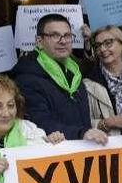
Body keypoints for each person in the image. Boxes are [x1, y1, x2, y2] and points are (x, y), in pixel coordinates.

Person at [12, 13, 108, 144]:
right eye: (55, 35)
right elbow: (40, 123)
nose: (63, 41)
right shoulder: (27, 78)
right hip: (54, 155)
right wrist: (81, 133)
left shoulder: (75, 71)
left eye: (67, 35)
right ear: (39, 42)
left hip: (83, 150)